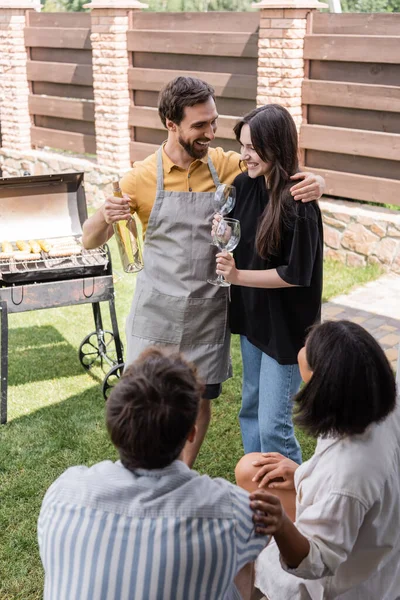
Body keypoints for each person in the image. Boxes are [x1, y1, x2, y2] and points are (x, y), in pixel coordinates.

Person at [82, 77, 325, 466]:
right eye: (200, 126)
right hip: (157, 310)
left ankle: (180, 474)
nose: (210, 133)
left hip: (208, 310)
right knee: (145, 402)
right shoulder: (139, 177)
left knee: (198, 401)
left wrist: (318, 181)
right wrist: (102, 216)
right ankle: (140, 476)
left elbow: (273, 165)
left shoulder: (226, 165)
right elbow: (90, 240)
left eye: (213, 123)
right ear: (171, 125)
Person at [38, 347, 270, 600]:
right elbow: (273, 543)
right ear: (191, 434)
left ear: (114, 427)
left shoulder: (63, 492)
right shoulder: (231, 510)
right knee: (244, 563)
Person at [235, 320, 400, 600]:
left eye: (306, 351)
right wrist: (302, 472)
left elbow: (318, 562)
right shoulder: (376, 405)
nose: (301, 349)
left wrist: (280, 524)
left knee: (236, 553)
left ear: (321, 385)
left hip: (342, 583)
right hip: (372, 537)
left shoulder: (347, 475)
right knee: (251, 469)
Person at [215, 104, 323, 463]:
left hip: (286, 331)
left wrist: (237, 277)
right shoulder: (244, 184)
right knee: (250, 409)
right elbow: (234, 228)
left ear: (276, 147)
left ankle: (296, 500)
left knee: (273, 426)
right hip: (254, 321)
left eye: (252, 147)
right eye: (242, 145)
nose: (243, 155)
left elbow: (295, 274)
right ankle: (257, 490)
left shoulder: (299, 202)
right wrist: (222, 230)